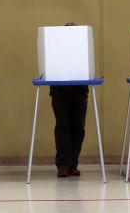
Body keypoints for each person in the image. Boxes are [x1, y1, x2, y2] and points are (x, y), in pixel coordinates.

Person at [50, 22, 90, 178]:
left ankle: (73, 164)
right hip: (59, 92)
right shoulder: (55, 49)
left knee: (78, 128)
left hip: (80, 92)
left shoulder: (83, 50)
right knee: (62, 127)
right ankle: (63, 165)